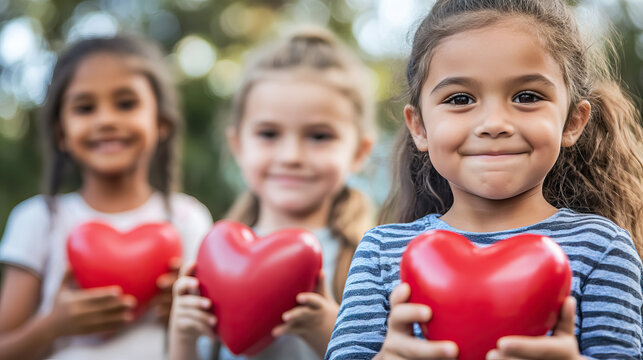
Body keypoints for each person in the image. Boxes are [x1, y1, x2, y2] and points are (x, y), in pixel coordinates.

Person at [325, 1, 643, 359]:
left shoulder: (602, 248)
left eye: (527, 96)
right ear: (420, 127)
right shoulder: (381, 253)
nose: (494, 123)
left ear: (572, 122)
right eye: (460, 99)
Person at [168, 27, 376, 360]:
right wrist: (183, 335)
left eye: (319, 136)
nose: (291, 156)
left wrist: (329, 331)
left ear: (359, 152)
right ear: (237, 145)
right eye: (268, 134)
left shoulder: (369, 261)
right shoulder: (214, 257)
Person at [0, 34, 213, 359]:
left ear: (161, 123)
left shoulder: (188, 219)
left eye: (126, 104)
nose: (106, 120)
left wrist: (185, 313)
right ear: (61, 133)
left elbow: (217, 340)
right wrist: (53, 325)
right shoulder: (39, 220)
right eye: (85, 108)